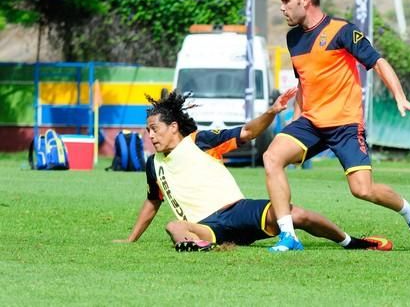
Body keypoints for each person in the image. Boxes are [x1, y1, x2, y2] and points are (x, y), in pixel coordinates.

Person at [263, 0, 410, 253]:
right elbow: (304, 83)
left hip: (345, 125)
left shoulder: (342, 30)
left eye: (285, 1)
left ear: (305, 0)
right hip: (310, 123)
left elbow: (378, 62)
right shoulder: (293, 38)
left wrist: (400, 97)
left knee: (362, 190)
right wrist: (295, 121)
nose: (281, 8)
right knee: (271, 157)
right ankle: (288, 236)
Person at [114, 89, 389, 252]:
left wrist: (271, 113)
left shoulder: (200, 142)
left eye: (155, 129)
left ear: (173, 126)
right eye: (148, 130)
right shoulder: (153, 164)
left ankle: (351, 242)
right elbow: (153, 201)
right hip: (206, 227)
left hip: (239, 210)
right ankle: (200, 246)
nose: (150, 135)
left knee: (297, 215)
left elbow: (246, 131)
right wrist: (131, 239)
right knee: (174, 225)